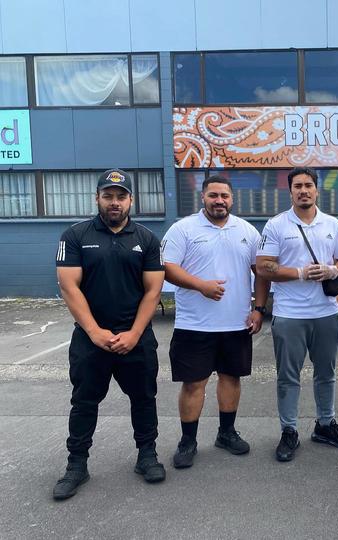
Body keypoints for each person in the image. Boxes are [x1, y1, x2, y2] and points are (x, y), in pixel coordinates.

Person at [53, 169, 166, 500]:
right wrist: (94, 331)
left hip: (137, 339)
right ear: (97, 198)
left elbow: (152, 291)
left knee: (143, 399)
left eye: (120, 196)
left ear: (131, 199)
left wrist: (133, 333)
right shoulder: (74, 235)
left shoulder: (146, 239)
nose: (114, 202)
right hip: (90, 341)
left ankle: (147, 456)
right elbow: (69, 286)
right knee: (84, 402)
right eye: (108, 195)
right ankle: (77, 465)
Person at [161, 175, 270, 469]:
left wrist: (258, 309)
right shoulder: (183, 229)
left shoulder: (247, 231)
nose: (219, 201)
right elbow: (167, 268)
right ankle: (188, 441)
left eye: (224, 196)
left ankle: (226, 433)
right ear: (203, 198)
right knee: (193, 383)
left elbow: (260, 272)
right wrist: (200, 286)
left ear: (232, 199)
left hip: (236, 324)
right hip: (194, 325)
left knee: (230, 379)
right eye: (213, 195)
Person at [256, 167, 338, 462]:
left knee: (327, 373)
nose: (303, 190)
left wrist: (334, 269)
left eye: (308, 185)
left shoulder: (332, 223)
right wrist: (299, 273)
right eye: (297, 186)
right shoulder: (276, 225)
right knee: (288, 376)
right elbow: (263, 266)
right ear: (290, 192)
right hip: (290, 314)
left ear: (316, 190)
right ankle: (289, 430)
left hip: (326, 311)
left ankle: (325, 424)